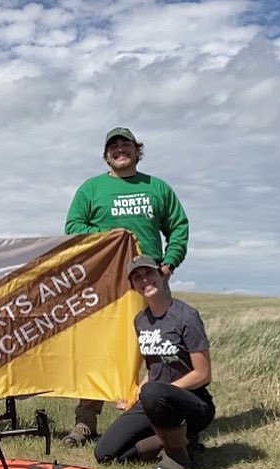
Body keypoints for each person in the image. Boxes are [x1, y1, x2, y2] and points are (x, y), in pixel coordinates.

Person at [62, 126, 190, 446]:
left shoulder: (156, 188)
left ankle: (155, 419)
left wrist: (168, 263)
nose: (120, 150)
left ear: (137, 150)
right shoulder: (91, 189)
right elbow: (74, 227)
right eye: (113, 146)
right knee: (99, 350)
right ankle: (85, 422)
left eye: (126, 145)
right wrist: (112, 235)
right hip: (105, 285)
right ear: (106, 155)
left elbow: (178, 227)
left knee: (157, 349)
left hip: (149, 283)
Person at [93, 254, 214, 469]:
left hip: (193, 403)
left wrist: (159, 392)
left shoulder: (186, 316)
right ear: (134, 286)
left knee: (153, 391)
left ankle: (178, 459)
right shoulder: (141, 320)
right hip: (155, 399)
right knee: (106, 454)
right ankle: (179, 439)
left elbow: (203, 373)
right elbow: (156, 365)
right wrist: (142, 389)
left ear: (161, 274)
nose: (144, 280)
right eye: (137, 277)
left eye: (149, 273)